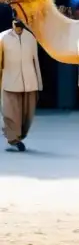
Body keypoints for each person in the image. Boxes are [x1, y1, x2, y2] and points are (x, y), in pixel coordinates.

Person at [1, 19, 43, 152]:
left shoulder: (30, 37)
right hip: (9, 81)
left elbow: (35, 59)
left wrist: (39, 83)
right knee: (10, 112)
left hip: (30, 82)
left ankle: (20, 135)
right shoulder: (3, 37)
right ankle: (13, 138)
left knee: (27, 115)